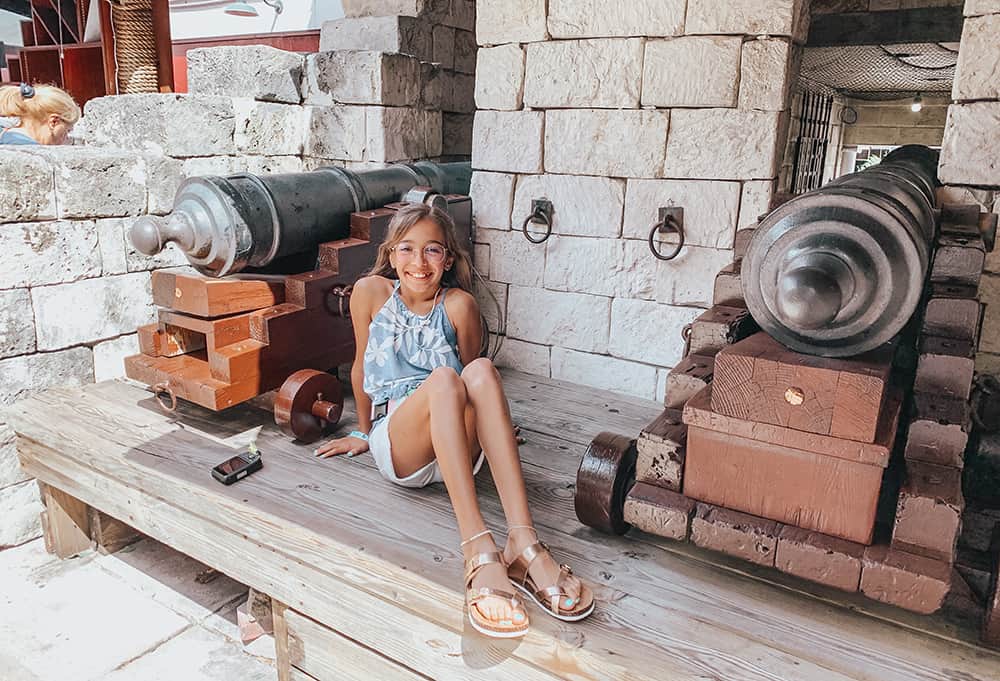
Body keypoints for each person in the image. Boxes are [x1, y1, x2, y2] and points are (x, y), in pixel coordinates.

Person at [314, 203, 595, 638]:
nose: (419, 263)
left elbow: (474, 378)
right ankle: (476, 544)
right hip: (403, 443)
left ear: (448, 259)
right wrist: (363, 432)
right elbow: (359, 367)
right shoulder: (369, 293)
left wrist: (493, 427)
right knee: (444, 380)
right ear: (391, 255)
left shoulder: (460, 305)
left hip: (459, 450)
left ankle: (523, 542)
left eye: (432, 251)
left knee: (479, 370)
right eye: (406, 249)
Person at [0, 82, 80, 146]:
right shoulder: (31, 153)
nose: (66, 138)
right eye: (67, 130)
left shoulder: (6, 136)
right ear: (54, 122)